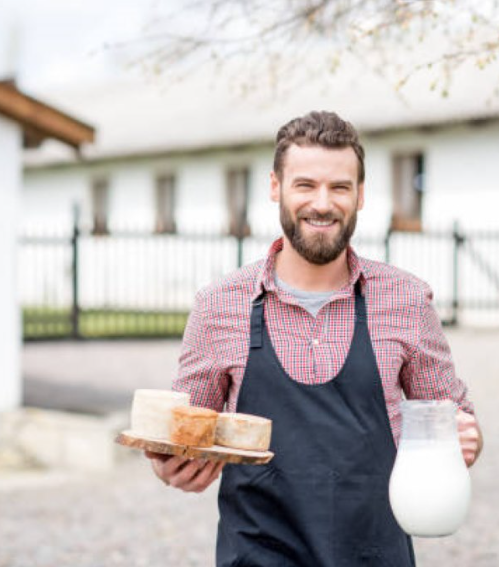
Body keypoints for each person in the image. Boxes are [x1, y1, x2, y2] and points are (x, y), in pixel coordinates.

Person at [146, 110, 482, 566]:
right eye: (305, 185)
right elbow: (187, 432)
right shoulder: (220, 304)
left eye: (339, 187)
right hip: (258, 555)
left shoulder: (406, 298)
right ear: (275, 187)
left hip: (375, 554)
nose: (322, 203)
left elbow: (451, 417)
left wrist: (464, 439)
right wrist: (173, 464)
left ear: (360, 195)